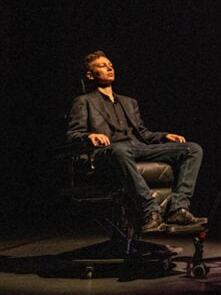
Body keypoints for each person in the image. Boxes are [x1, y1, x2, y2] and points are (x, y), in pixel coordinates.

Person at [66, 50, 207, 232]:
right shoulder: (83, 101)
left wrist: (164, 136)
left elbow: (143, 133)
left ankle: (178, 208)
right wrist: (88, 136)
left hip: (137, 147)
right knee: (120, 150)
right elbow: (73, 134)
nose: (109, 68)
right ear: (90, 75)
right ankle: (150, 210)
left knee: (192, 149)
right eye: (102, 66)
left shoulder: (129, 102)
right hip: (109, 151)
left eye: (110, 65)